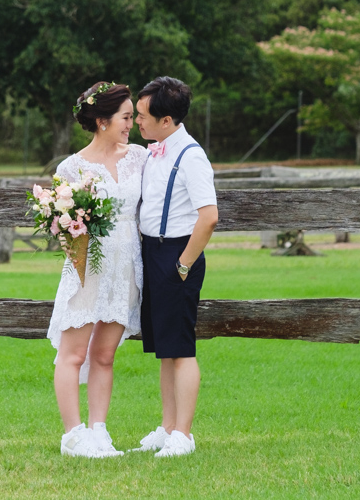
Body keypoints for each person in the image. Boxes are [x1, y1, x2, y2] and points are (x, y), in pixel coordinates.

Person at [48, 81, 147, 457]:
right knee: (73, 354)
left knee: (105, 354)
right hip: (89, 267)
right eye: (125, 117)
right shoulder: (72, 168)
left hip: (127, 266)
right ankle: (73, 436)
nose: (131, 124)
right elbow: (63, 227)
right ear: (103, 120)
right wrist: (83, 271)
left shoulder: (139, 157)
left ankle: (99, 430)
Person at [132, 76, 218, 458]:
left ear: (166, 121)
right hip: (153, 253)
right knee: (165, 348)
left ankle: (183, 434)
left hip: (176, 257)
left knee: (181, 348)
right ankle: (167, 428)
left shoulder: (191, 156)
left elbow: (209, 217)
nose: (136, 121)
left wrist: (183, 265)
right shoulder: (156, 150)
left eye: (142, 115)